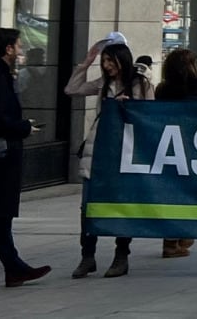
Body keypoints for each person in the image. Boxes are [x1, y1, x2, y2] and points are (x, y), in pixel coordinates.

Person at [65, 34, 152, 279]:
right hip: (98, 148)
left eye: (110, 61)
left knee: (121, 205)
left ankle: (121, 255)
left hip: (125, 151)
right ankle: (87, 256)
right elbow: (72, 89)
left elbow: (151, 116)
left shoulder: (140, 84)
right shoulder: (103, 84)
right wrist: (86, 62)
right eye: (104, 62)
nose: (107, 66)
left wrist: (129, 107)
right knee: (88, 207)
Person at [0, 28, 52, 293]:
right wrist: (23, 128)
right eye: (18, 46)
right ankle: (14, 267)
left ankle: (14, 267)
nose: (20, 51)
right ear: (7, 49)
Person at [154, 48, 197, 259]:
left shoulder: (163, 89)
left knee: (171, 195)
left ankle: (171, 240)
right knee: (190, 193)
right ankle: (183, 235)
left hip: (168, 146)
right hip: (192, 145)